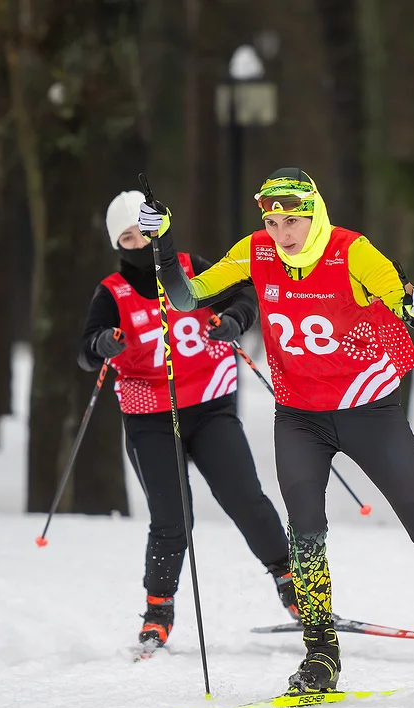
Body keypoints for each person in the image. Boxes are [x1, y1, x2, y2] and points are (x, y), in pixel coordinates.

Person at [142, 168, 414, 694]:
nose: (282, 232)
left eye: (292, 220)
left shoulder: (351, 251)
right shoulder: (257, 251)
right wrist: (163, 243)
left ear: (314, 213)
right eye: (273, 221)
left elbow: (397, 294)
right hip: (299, 416)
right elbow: (187, 297)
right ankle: (321, 655)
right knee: (306, 536)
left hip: (369, 412)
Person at [78, 190, 296, 652]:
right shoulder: (111, 292)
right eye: (126, 239)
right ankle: (159, 610)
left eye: (143, 233)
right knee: (173, 518)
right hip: (149, 418)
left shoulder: (193, 267)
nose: (138, 244)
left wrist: (233, 322)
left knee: (245, 498)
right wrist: (103, 344)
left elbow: (244, 296)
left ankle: (292, 584)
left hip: (210, 406)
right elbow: (85, 347)